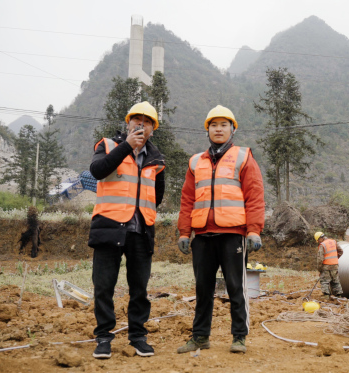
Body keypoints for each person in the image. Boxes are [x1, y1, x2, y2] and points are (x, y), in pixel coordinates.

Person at [176, 105, 265, 354]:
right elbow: (187, 200)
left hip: (233, 234)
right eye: (213, 125)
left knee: (236, 287)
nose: (218, 129)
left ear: (232, 129)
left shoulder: (243, 157)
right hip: (202, 235)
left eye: (223, 124)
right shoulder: (196, 162)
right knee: (202, 289)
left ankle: (239, 337)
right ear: (207, 130)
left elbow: (255, 196)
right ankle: (200, 337)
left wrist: (254, 230)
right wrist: (184, 233)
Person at [88, 101, 166, 359]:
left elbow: (158, 195)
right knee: (104, 286)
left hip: (141, 230)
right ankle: (103, 338)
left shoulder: (157, 159)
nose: (141, 124)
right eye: (137, 119)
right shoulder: (108, 145)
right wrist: (127, 146)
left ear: (153, 128)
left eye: (147, 121)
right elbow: (98, 170)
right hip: (110, 226)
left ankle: (138, 336)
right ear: (128, 122)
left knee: (139, 288)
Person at [314, 231, 344, 299]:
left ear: (320, 239)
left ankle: (326, 296)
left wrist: (319, 269)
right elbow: (341, 251)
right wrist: (335, 259)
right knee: (335, 280)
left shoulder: (322, 245)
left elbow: (320, 259)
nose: (318, 242)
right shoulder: (334, 242)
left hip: (326, 266)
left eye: (318, 240)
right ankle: (338, 295)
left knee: (324, 281)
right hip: (335, 265)